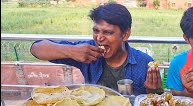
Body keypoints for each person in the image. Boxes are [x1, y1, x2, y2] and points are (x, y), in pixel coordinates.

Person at [30, 3, 162, 95]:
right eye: (95, 31)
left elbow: (157, 101)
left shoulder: (144, 63)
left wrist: (153, 91)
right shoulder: (85, 51)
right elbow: (36, 48)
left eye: (108, 32)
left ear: (125, 34)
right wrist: (71, 51)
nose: (99, 38)